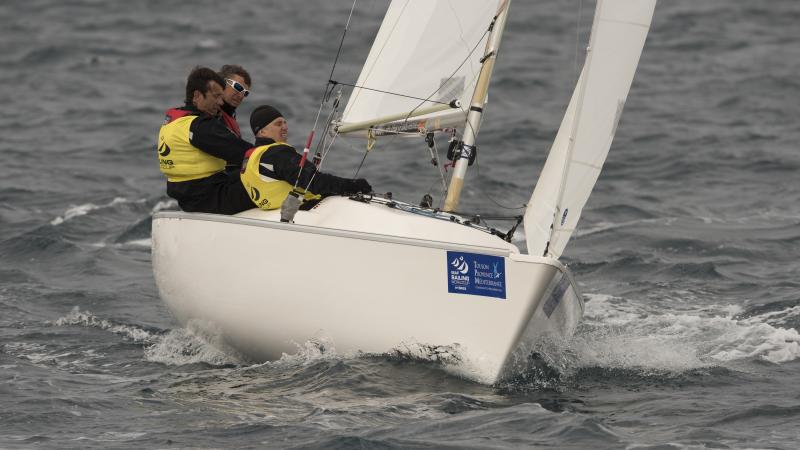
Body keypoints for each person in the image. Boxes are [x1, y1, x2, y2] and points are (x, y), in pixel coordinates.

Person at [157, 66, 255, 214]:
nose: (220, 102)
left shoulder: (178, 118)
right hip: (207, 196)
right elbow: (242, 153)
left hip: (189, 195)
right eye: (237, 87)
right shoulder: (201, 126)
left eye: (245, 92)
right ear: (197, 96)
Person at [240, 105, 372, 213]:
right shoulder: (276, 153)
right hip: (303, 211)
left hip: (274, 213)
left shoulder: (249, 159)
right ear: (262, 132)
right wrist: (353, 186)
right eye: (278, 124)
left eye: (285, 122)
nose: (285, 127)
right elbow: (313, 181)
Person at [218, 64, 251, 138]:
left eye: (245, 93)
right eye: (238, 87)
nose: (241, 96)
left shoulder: (229, 116)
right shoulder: (210, 113)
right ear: (222, 82)